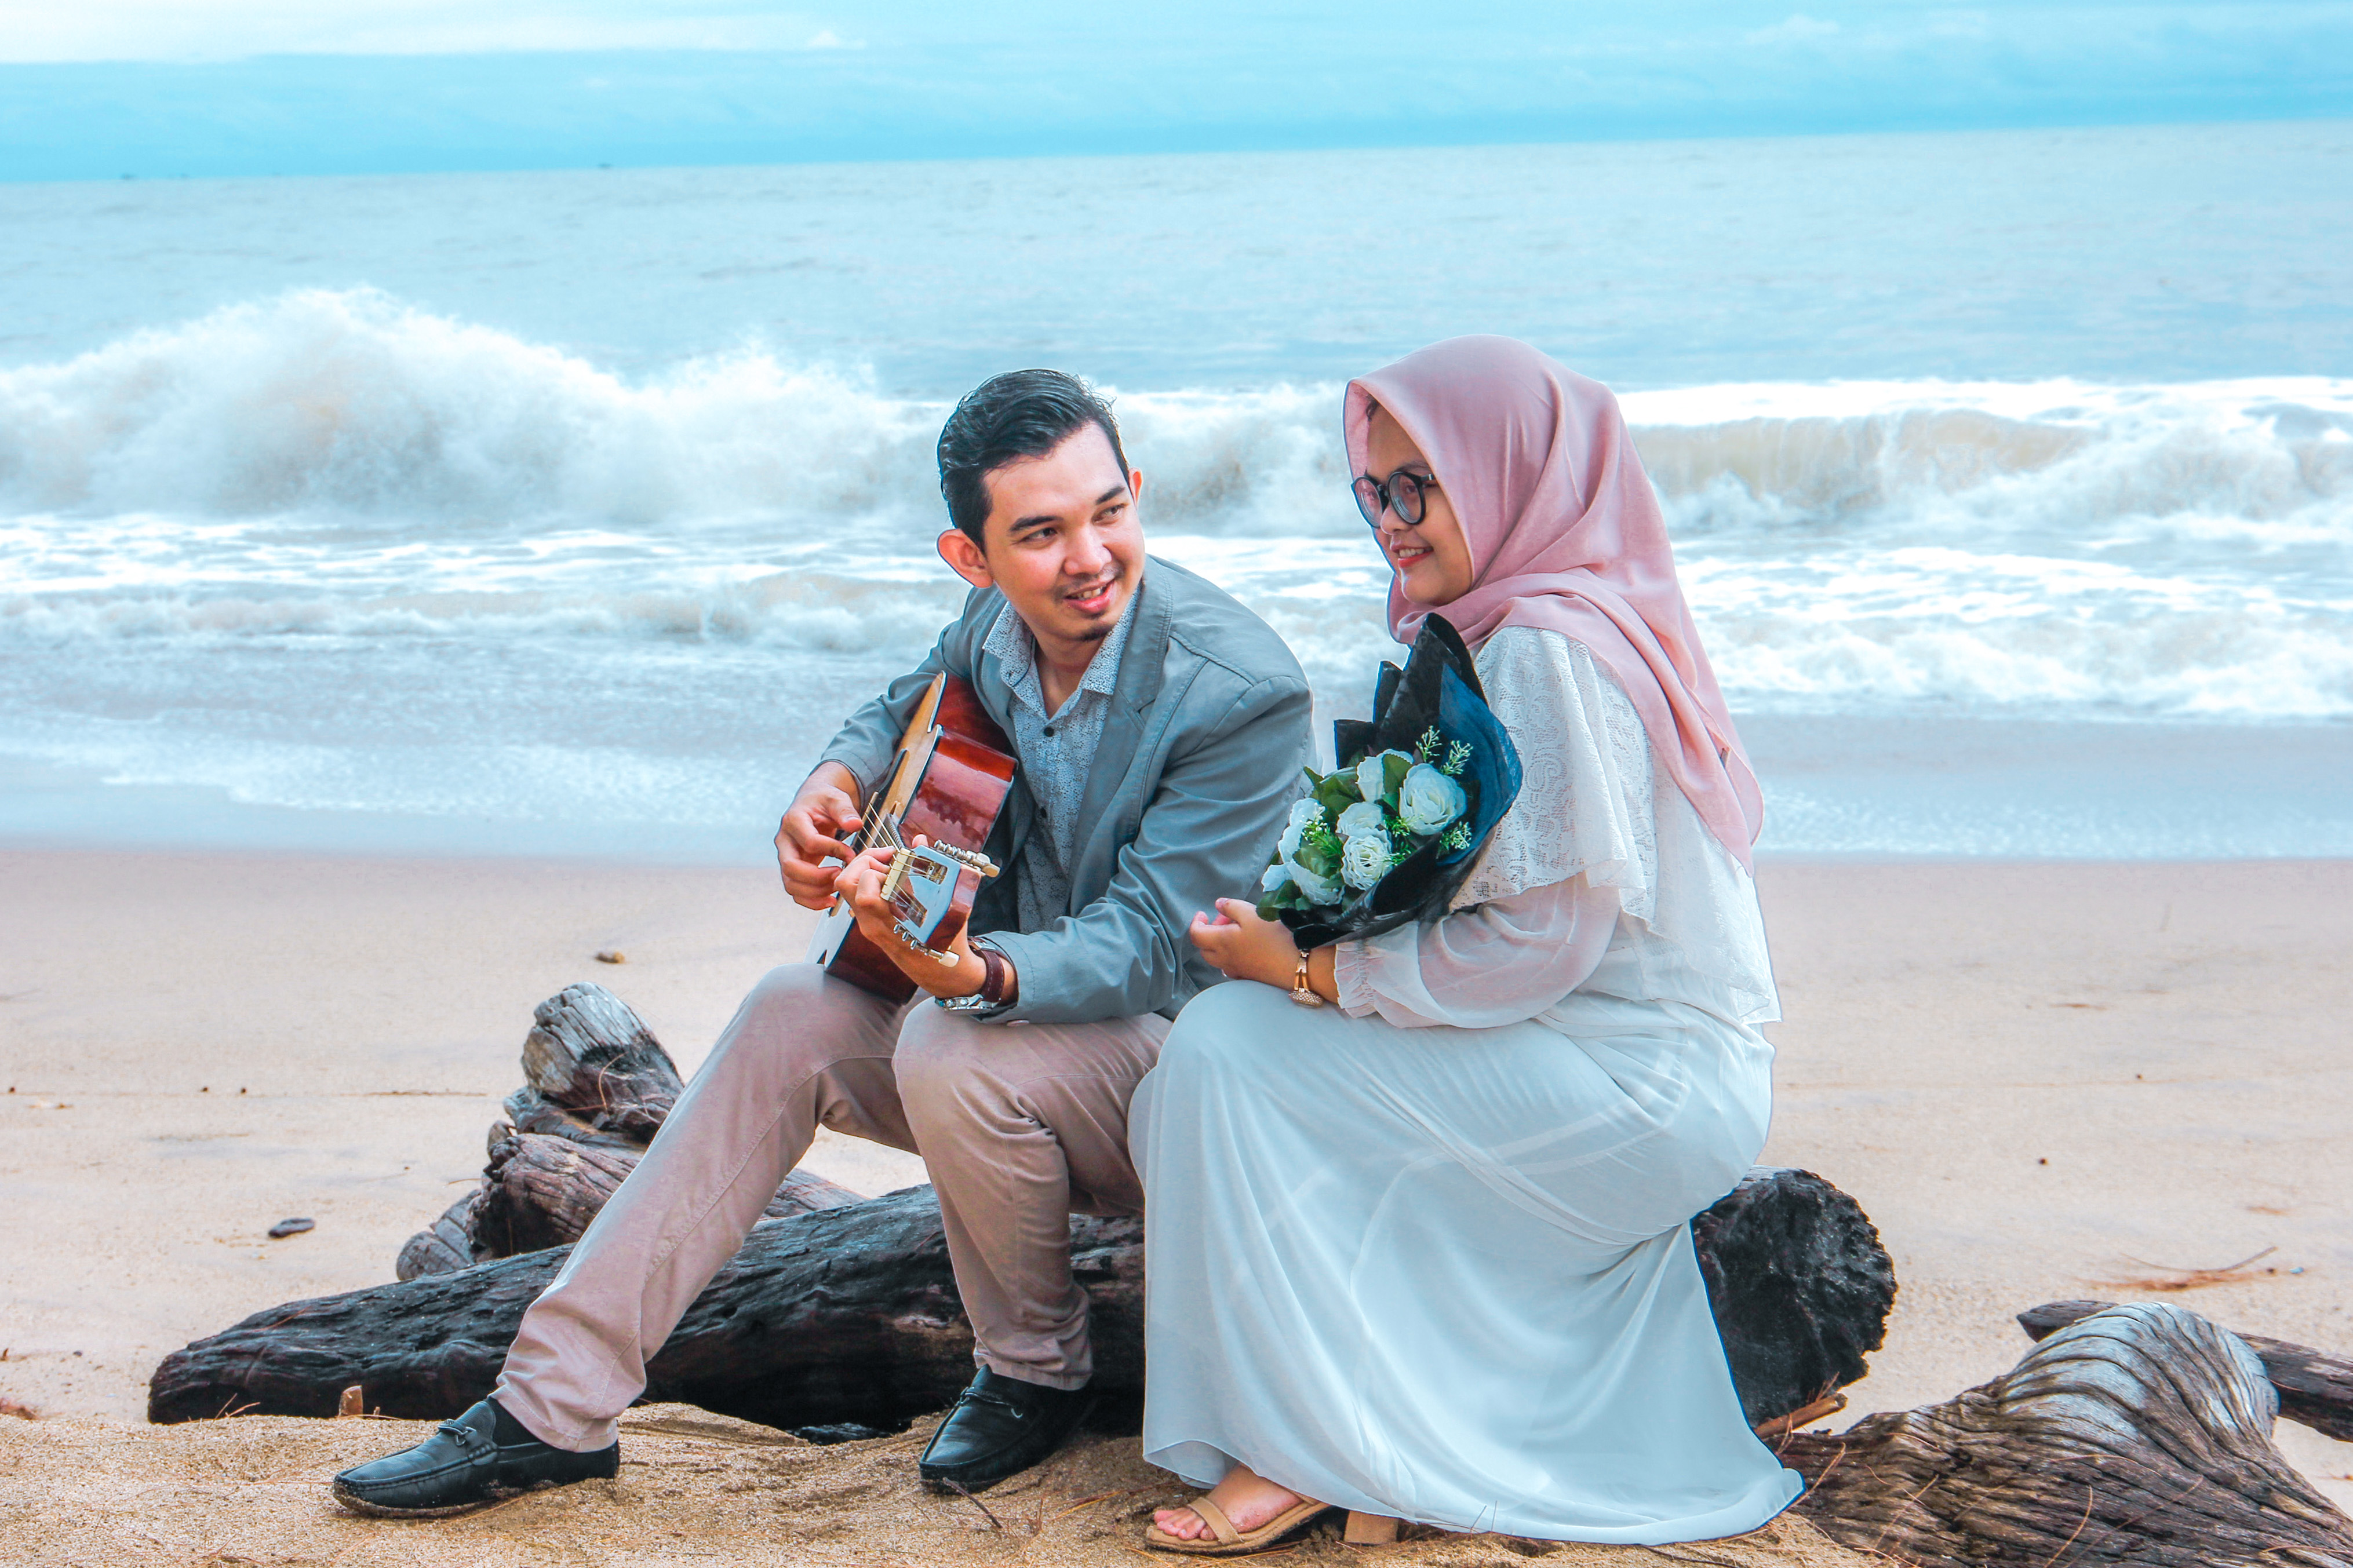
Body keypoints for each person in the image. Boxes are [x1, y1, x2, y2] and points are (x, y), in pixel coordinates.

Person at [332, 369, 1313, 1516]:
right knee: (784, 1012)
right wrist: (828, 785)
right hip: (998, 1047)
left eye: (1107, 511)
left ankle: (1032, 1371)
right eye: (1040, 534)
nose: (1089, 556)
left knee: (952, 1040)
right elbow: (901, 705)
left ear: (1136, 490)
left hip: (1174, 1095)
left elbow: (1151, 943)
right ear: (972, 559)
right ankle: (551, 1407)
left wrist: (976, 973)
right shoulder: (993, 626)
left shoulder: (1238, 691)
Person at [1131, 336, 1804, 1553]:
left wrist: (1309, 970)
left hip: (1638, 1085)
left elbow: (1542, 945)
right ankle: (1354, 1426)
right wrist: (1314, 939)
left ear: (1506, 474)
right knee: (1232, 1052)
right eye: (1370, 492)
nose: (1388, 521)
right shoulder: (1524, 624)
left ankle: (1307, 1445)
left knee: (1230, 1046)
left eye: (1417, 487)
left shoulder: (1546, 645)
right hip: (1594, 1060)